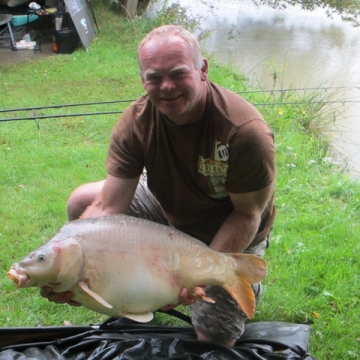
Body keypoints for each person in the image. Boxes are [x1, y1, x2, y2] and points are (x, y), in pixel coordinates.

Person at [41, 24, 276, 347]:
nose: (166, 87)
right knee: (84, 203)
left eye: (178, 73)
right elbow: (109, 209)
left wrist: (194, 274)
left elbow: (247, 214)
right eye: (153, 77)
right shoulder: (136, 122)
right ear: (143, 80)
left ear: (202, 69)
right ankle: (128, 292)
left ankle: (234, 278)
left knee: (211, 341)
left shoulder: (244, 132)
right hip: (168, 211)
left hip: (225, 228)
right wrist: (73, 268)